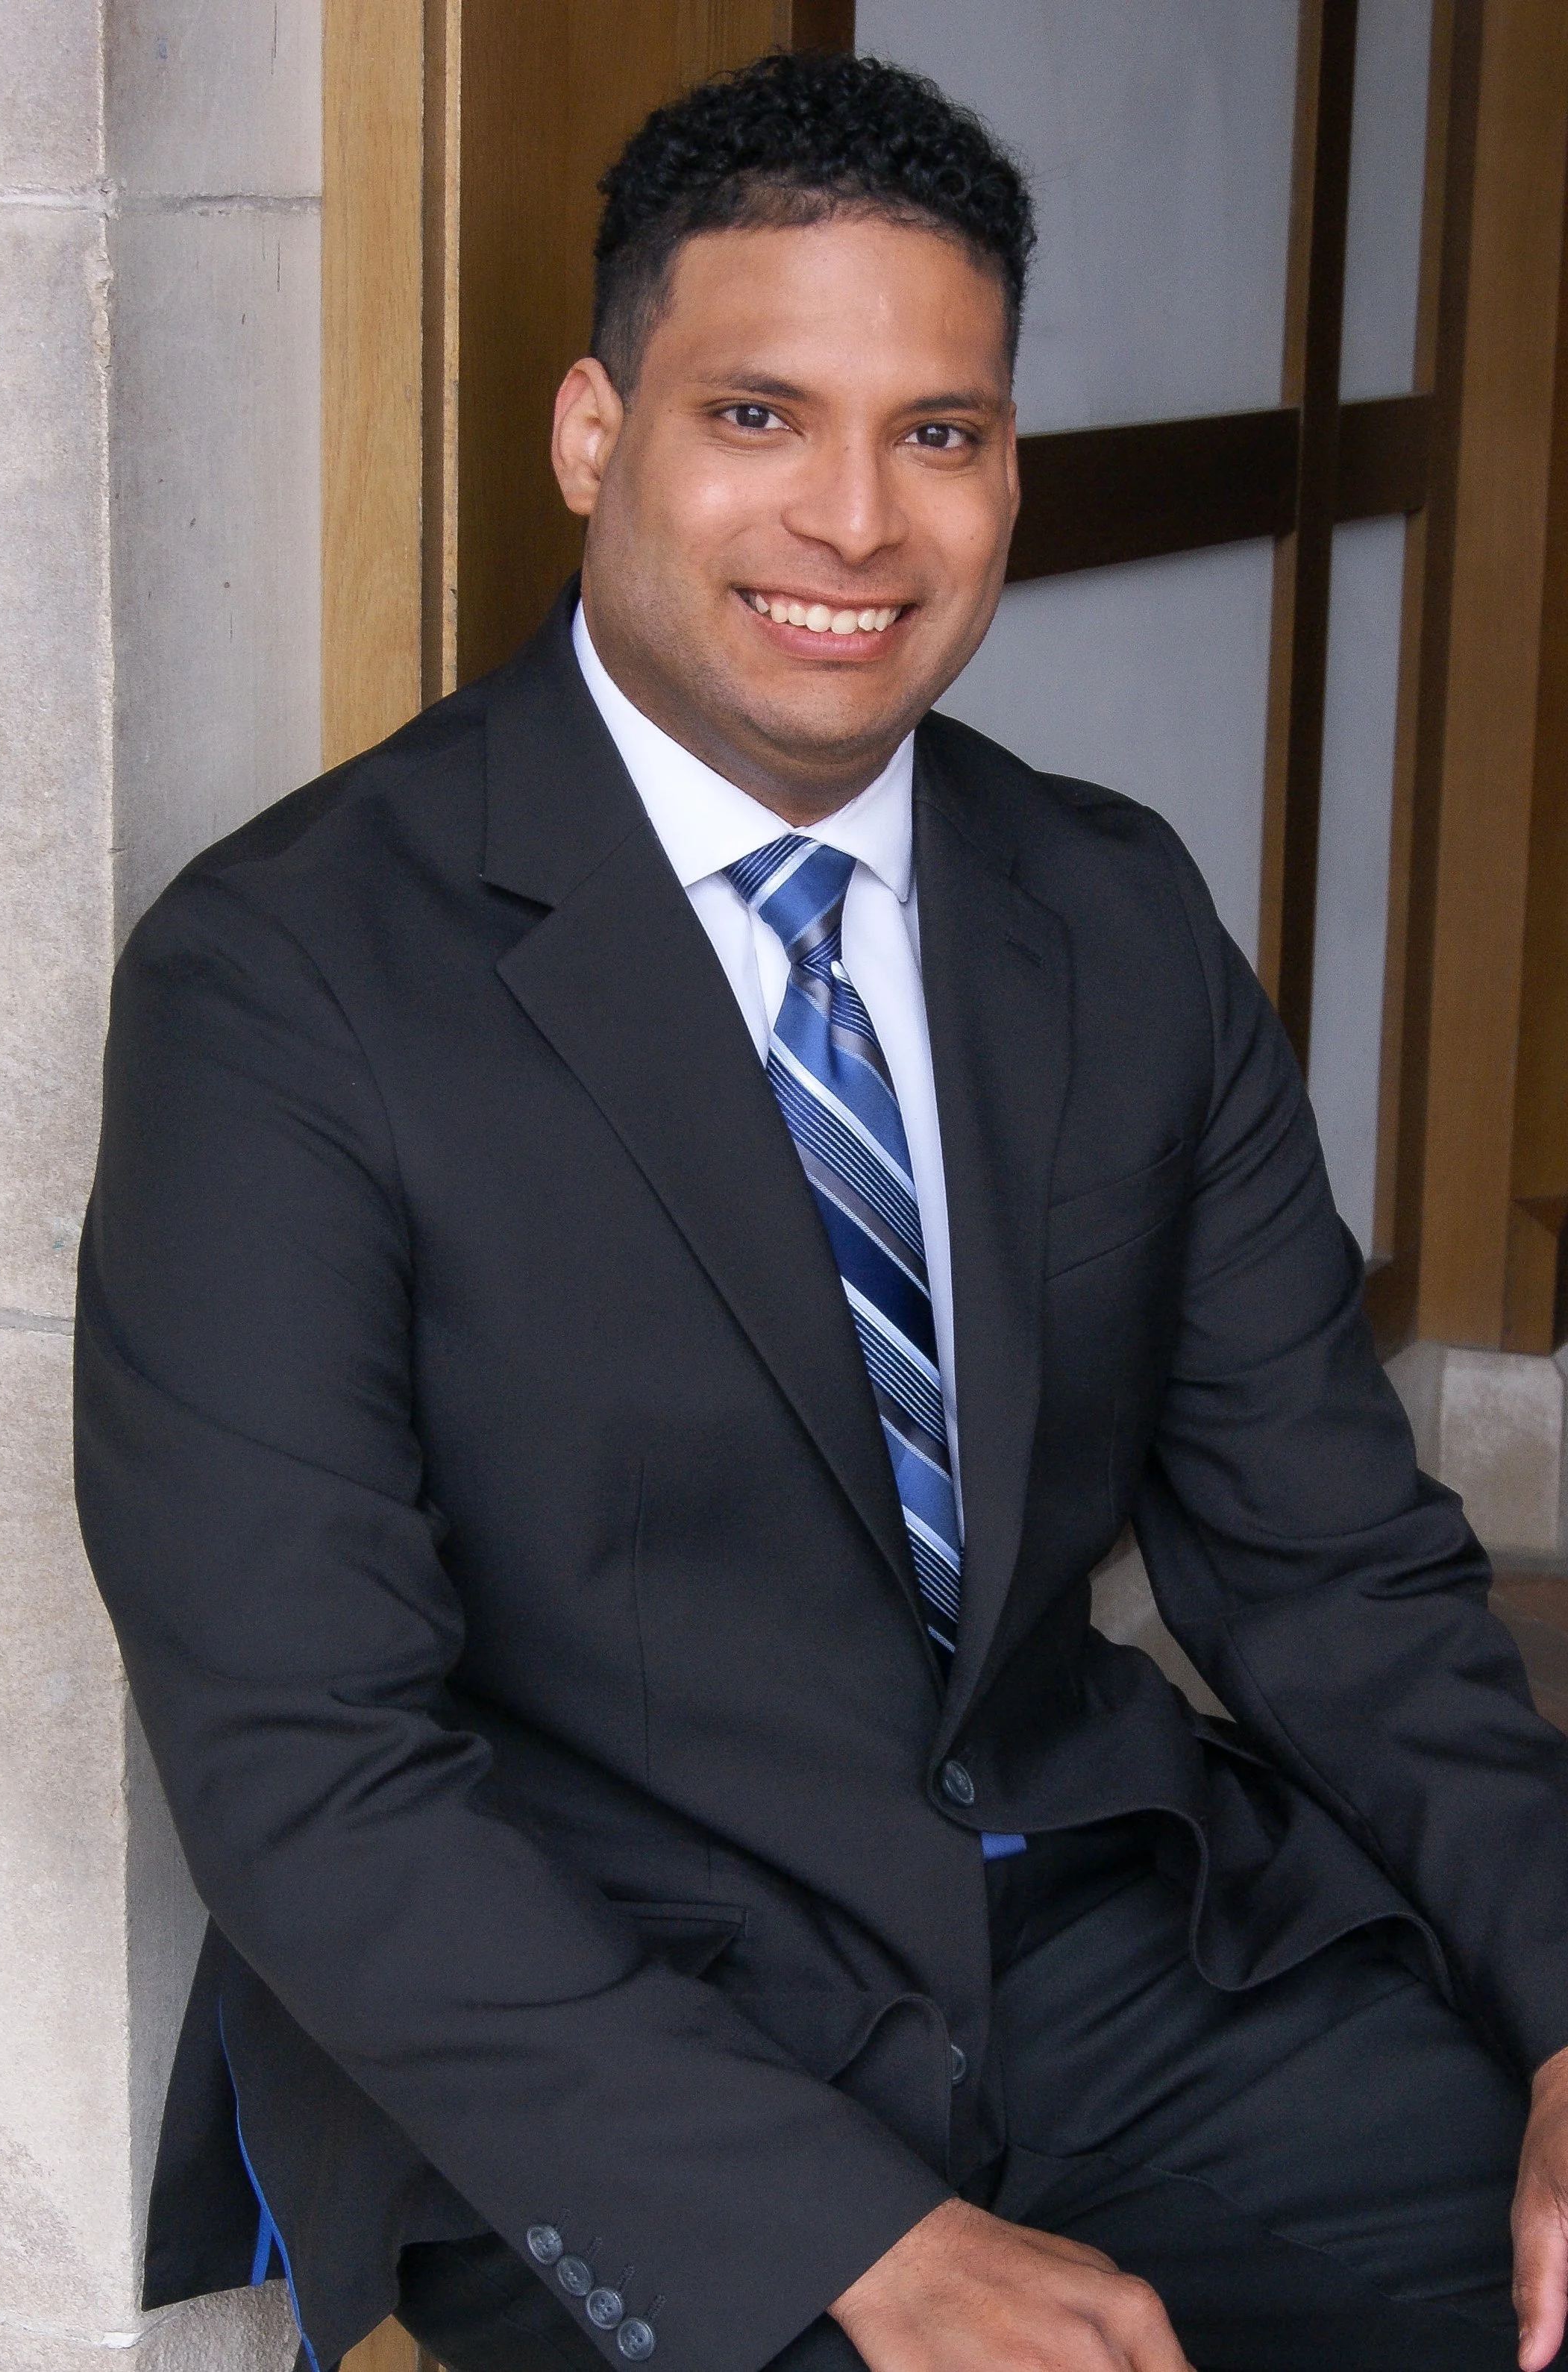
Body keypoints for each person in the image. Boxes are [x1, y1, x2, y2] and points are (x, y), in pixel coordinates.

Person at [75, 47, 1568, 2372]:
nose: (857, 522)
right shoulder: (283, 981)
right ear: (597, 435)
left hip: (1094, 1943)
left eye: (939, 433)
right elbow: (311, 1764)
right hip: (614, 2032)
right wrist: (851, 2235)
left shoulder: (1109, 911)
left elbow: (1339, 1575)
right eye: (760, 415)